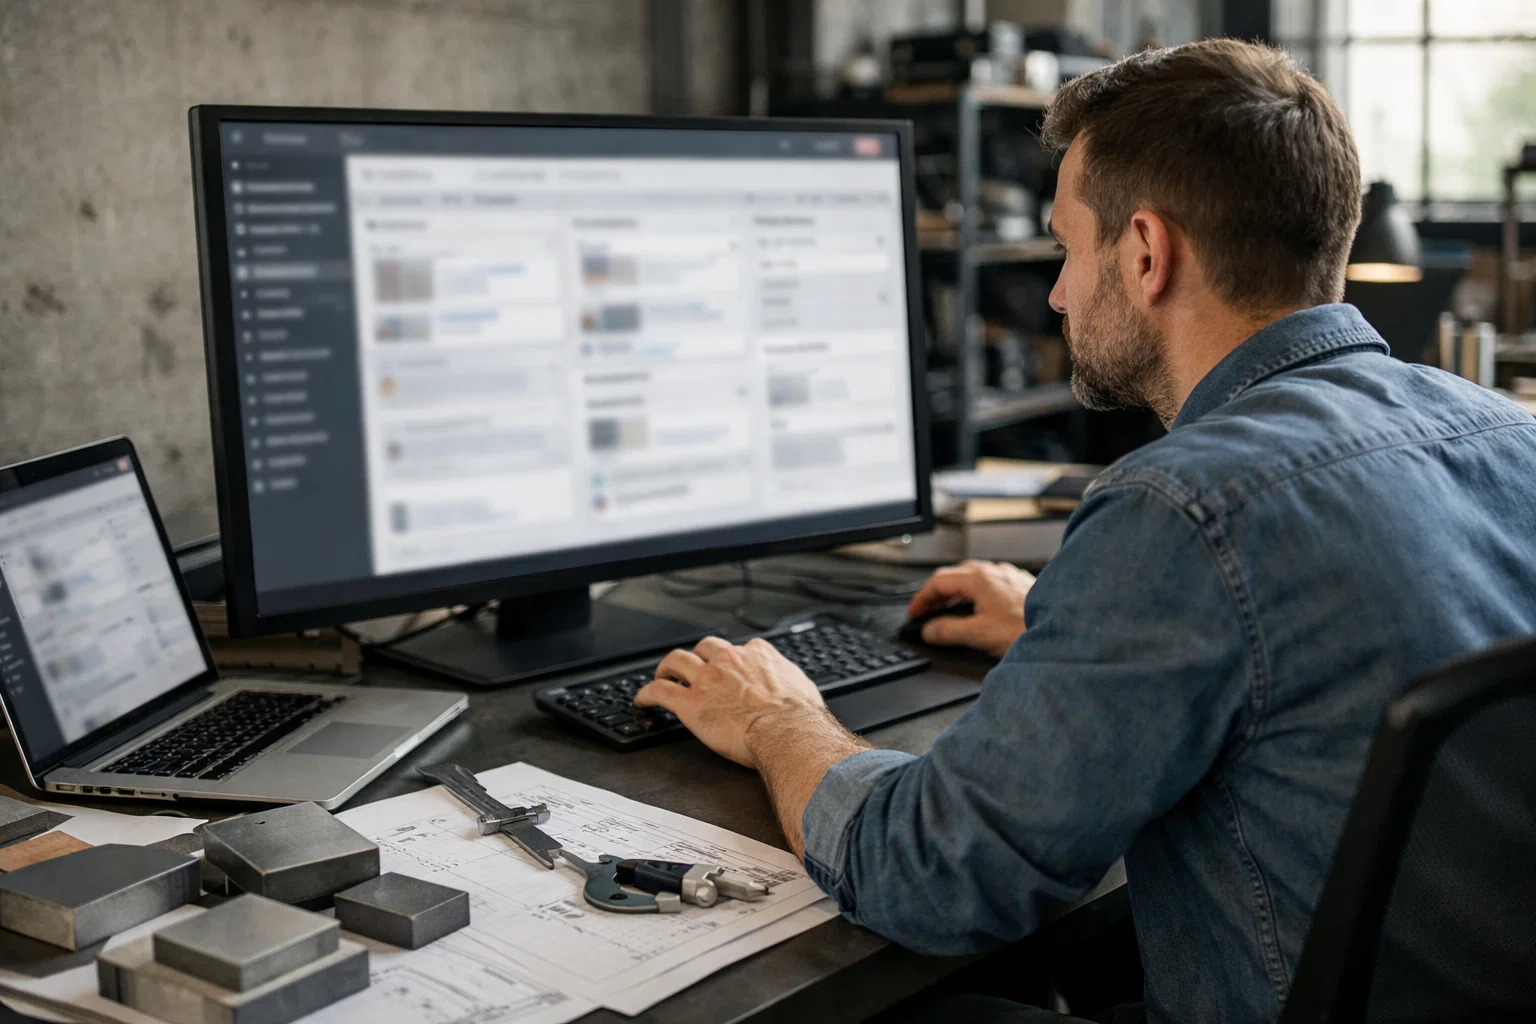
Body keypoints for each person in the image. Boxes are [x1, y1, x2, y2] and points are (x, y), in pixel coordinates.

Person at [635, 38, 1536, 1023]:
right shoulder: (1507, 433)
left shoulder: (1187, 510)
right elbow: (1344, 661)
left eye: (1067, 247)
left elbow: (931, 872)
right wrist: (1071, 629)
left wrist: (777, 717)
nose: (1057, 292)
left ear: (1146, 252)